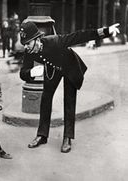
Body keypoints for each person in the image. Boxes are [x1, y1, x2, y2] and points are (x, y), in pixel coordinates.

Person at [19, 21, 120, 153]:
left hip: (70, 67)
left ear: (36, 39)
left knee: (69, 101)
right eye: (24, 44)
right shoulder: (29, 51)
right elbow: (23, 72)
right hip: (53, 69)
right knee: (46, 98)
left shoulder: (55, 41)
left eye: (28, 43)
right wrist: (31, 73)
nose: (26, 47)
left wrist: (105, 31)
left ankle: (67, 137)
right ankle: (42, 135)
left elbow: (79, 36)